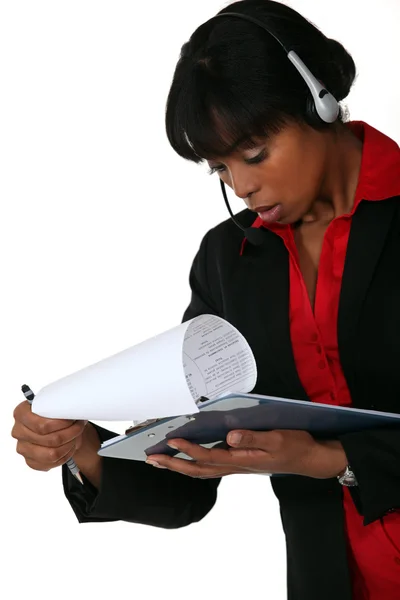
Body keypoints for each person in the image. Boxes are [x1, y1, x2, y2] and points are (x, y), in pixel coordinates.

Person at [11, 1, 400, 598]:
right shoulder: (229, 259)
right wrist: (86, 448)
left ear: (318, 104)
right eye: (218, 168)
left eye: (254, 154)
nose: (242, 185)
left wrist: (328, 458)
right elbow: (197, 464)